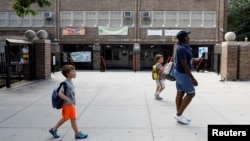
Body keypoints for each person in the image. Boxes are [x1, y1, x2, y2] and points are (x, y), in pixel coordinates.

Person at [49, 64, 88, 139]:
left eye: (74, 71)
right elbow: (60, 93)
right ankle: (77, 133)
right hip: (67, 105)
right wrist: (67, 99)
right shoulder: (65, 83)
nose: (75, 72)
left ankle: (54, 129)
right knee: (70, 119)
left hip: (71, 104)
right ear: (68, 74)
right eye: (73, 71)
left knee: (67, 118)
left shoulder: (70, 82)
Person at [173, 30, 198, 125]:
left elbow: (186, 61)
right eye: (187, 36)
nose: (189, 37)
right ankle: (179, 114)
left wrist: (194, 59)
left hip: (179, 72)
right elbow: (184, 65)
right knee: (191, 93)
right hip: (182, 72)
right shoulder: (182, 49)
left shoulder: (184, 47)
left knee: (180, 92)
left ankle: (179, 115)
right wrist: (192, 79)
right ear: (184, 38)